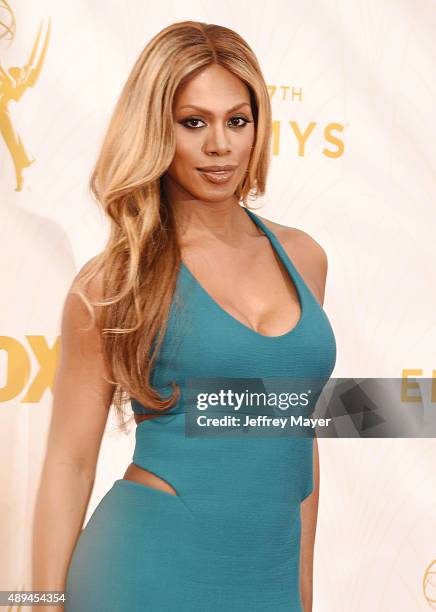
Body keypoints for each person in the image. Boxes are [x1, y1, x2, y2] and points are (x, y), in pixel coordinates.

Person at [31, 20, 336, 612]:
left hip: (266, 573)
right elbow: (69, 463)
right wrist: (37, 604)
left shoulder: (305, 257)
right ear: (156, 129)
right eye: (193, 122)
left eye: (236, 120)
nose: (219, 145)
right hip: (143, 571)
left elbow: (296, 434)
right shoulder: (111, 283)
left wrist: (300, 593)